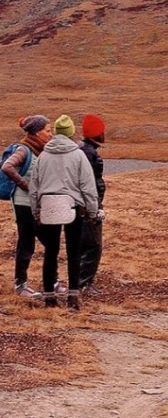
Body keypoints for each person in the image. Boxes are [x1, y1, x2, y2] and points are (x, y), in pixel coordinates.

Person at [29, 115, 98, 310]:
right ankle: (73, 298)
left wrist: (36, 210)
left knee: (51, 252)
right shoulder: (78, 155)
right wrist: (92, 211)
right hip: (72, 208)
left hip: (48, 206)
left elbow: (35, 186)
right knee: (73, 251)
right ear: (70, 133)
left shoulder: (43, 155)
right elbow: (87, 186)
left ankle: (49, 297)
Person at [1, 115, 52, 299]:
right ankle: (20, 285)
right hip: (23, 205)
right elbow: (7, 167)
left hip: (35, 205)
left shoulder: (39, 150)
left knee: (49, 242)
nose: (50, 134)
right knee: (26, 243)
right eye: (47, 130)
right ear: (37, 132)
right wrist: (27, 186)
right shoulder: (24, 150)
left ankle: (51, 281)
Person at [78, 114, 106, 294]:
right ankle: (84, 283)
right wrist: (95, 208)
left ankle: (79, 281)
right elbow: (90, 184)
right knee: (93, 245)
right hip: (89, 204)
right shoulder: (89, 153)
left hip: (82, 204)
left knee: (82, 244)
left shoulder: (82, 149)